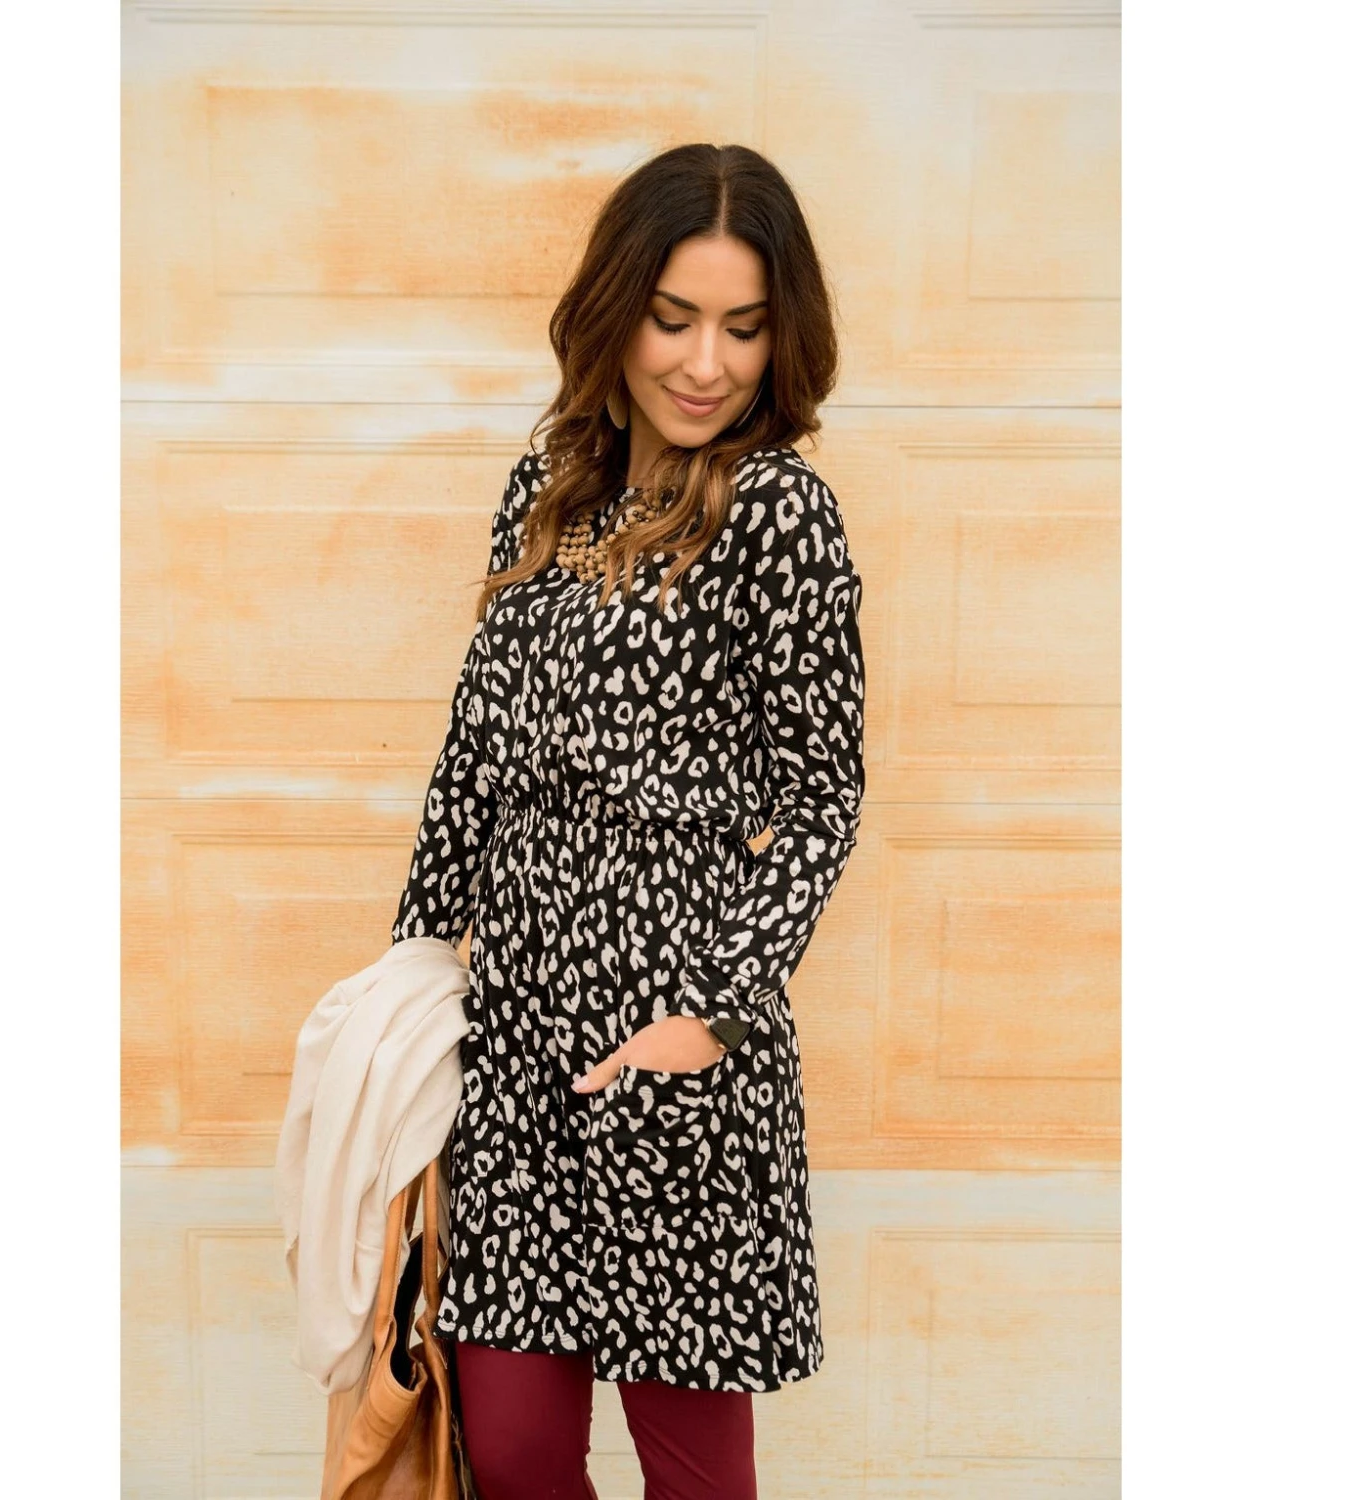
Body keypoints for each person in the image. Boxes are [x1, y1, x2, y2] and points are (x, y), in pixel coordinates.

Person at [389, 142, 866, 1500]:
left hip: (677, 1041)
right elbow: (475, 753)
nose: (706, 363)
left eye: (743, 327)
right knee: (515, 1453)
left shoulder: (780, 514)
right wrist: (412, 974)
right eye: (672, 319)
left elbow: (822, 792)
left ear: (781, 337)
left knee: (694, 1471)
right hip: (515, 1040)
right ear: (615, 312)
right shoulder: (546, 486)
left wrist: (710, 1015)